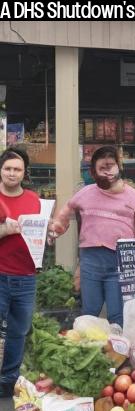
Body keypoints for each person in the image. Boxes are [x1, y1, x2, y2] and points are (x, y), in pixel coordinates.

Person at [49, 146, 135, 327]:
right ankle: (91, 351)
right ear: (93, 172)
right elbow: (63, 216)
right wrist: (54, 229)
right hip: (91, 261)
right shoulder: (84, 194)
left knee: (118, 315)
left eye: (110, 166)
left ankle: (119, 353)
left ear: (119, 167)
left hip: (120, 262)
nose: (107, 172)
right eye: (101, 168)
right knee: (89, 313)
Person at [0, 149, 39, 398]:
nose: (12, 173)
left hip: (26, 275)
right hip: (0, 273)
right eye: (8, 168)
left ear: (24, 173)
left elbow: (41, 232)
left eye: (17, 169)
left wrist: (51, 233)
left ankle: (7, 381)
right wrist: (5, 230)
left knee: (19, 331)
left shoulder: (35, 200)